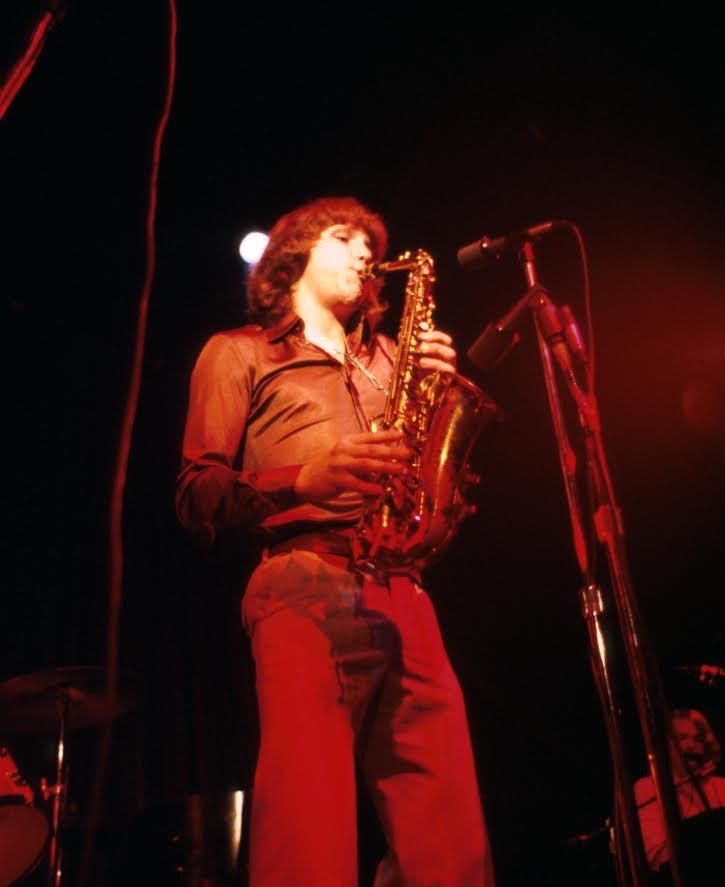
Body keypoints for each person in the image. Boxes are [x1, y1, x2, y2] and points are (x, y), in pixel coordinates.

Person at [175, 195, 496, 885]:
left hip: (404, 588)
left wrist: (438, 401)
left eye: (369, 245)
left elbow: (431, 471)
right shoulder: (239, 351)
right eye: (344, 237)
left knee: (449, 834)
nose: (363, 252)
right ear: (294, 253)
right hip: (303, 582)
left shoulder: (393, 359)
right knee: (307, 824)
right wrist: (304, 479)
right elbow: (196, 494)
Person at [634, 707, 725, 878]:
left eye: (697, 738)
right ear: (666, 746)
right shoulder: (648, 788)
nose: (691, 745)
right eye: (682, 738)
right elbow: (656, 854)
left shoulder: (721, 787)